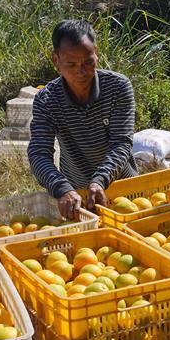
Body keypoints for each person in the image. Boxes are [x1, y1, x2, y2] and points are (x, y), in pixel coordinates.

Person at [28, 19, 137, 219]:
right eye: (71, 64)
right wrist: (62, 188)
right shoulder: (47, 100)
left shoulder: (118, 87)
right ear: (56, 60)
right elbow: (39, 154)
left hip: (123, 188)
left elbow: (121, 143)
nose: (81, 71)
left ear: (96, 53)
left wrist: (100, 180)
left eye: (88, 62)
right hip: (75, 197)